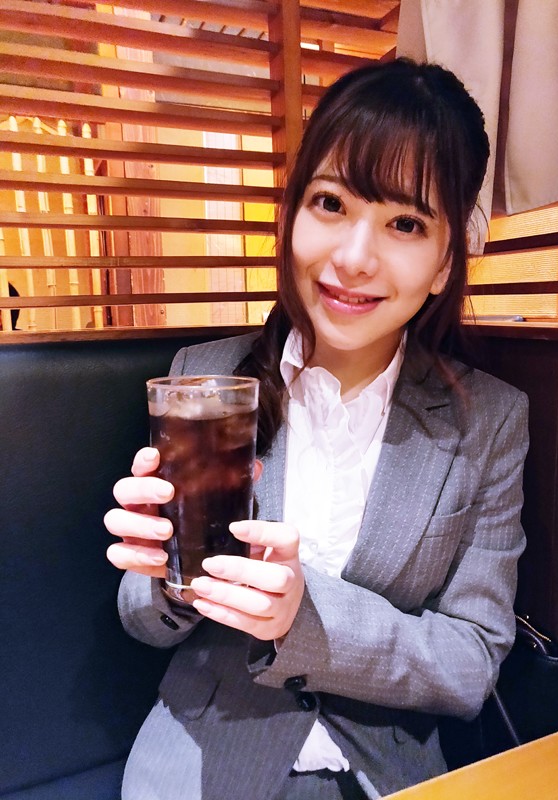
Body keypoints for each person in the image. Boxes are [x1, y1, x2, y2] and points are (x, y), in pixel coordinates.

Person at [104, 57, 529, 800]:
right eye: (331, 203)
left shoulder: (489, 421)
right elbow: (143, 620)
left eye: (404, 223)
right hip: (204, 758)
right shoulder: (203, 380)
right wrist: (163, 580)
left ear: (444, 262)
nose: (353, 258)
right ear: (292, 212)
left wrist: (304, 618)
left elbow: (471, 661)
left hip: (386, 772)